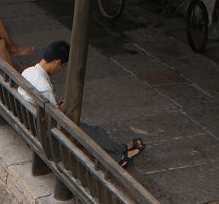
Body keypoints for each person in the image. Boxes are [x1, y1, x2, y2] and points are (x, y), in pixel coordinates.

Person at [17, 40, 145, 166]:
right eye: (62, 66)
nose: (60, 70)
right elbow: (53, 119)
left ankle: (119, 149)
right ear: (57, 62)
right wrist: (61, 107)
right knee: (91, 132)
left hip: (29, 123)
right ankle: (119, 156)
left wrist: (58, 107)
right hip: (45, 133)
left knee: (88, 130)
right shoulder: (44, 88)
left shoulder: (28, 72)